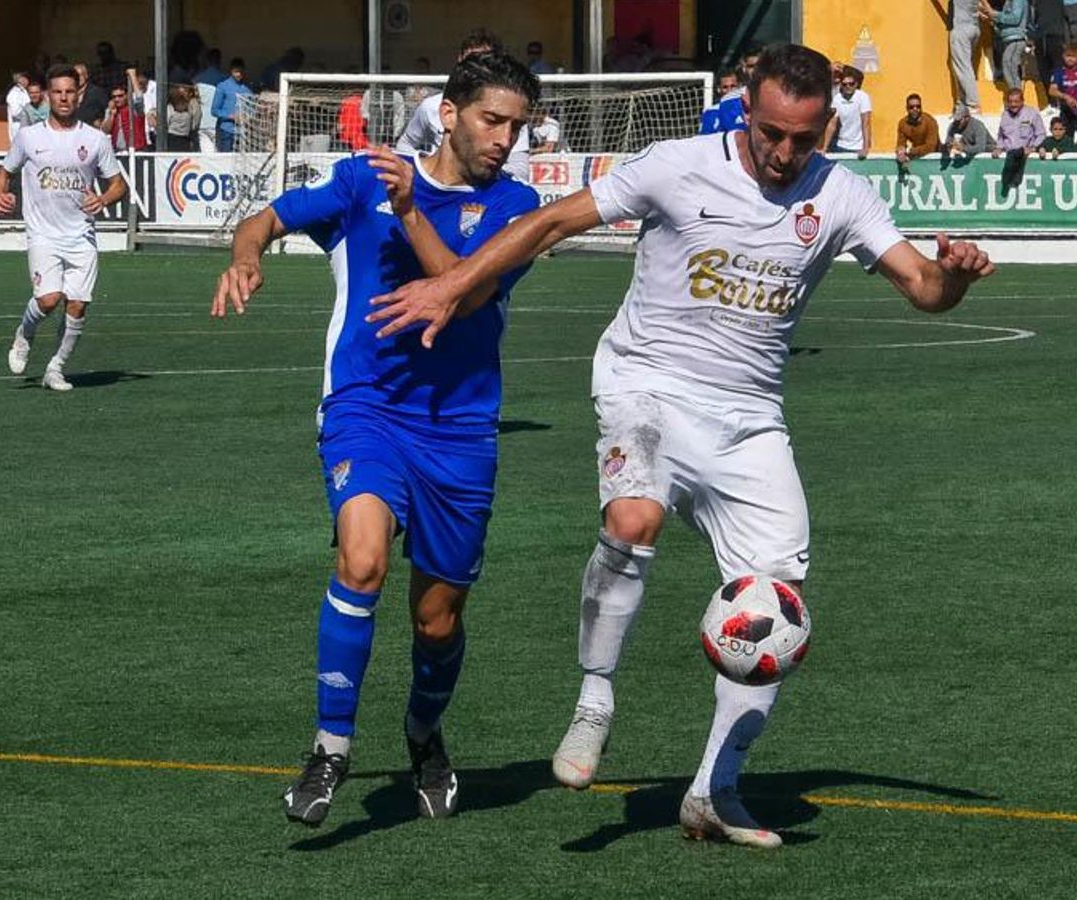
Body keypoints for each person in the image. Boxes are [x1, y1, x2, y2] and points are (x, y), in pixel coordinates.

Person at [364, 43, 995, 848]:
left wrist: (959, 276)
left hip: (750, 418)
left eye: (804, 139)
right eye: (771, 133)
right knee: (633, 521)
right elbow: (550, 220)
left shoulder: (841, 194)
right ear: (746, 113)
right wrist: (451, 286)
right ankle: (595, 697)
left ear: (826, 126)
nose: (785, 153)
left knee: (777, 607)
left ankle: (713, 792)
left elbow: (924, 288)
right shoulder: (676, 164)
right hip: (646, 384)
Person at [211, 50, 542, 826]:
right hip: (367, 406)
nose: (505, 138)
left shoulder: (518, 206)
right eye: (493, 120)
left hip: (460, 425)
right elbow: (267, 217)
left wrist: (412, 212)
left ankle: (424, 734)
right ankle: (330, 749)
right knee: (360, 559)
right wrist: (246, 257)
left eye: (517, 126)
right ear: (450, 113)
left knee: (438, 617)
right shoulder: (365, 178)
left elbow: (464, 291)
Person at [0, 64, 127, 392]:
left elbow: (118, 185)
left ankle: (55, 368)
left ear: (78, 94)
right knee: (49, 299)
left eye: (70, 91)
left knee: (78, 304)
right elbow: (4, 172)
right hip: (43, 233)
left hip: (81, 234)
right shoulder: (29, 137)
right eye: (58, 92)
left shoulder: (95, 140)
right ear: (49, 95)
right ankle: (24, 334)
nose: (64, 98)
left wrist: (103, 199)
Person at [400, 31, 533, 178]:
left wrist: (490, 190)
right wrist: (418, 176)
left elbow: (520, 168)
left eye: (486, 62)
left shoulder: (511, 113)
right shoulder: (430, 106)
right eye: (490, 120)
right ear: (448, 114)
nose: (504, 141)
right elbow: (406, 143)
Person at [993, 87, 1044, 188]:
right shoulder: (1005, 115)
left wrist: (1033, 147)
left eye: (1016, 101)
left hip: (1025, 156)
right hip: (1009, 155)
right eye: (1010, 102)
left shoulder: (1032, 114)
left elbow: (1041, 134)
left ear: (1022, 101)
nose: (1013, 105)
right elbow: (1001, 135)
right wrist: (999, 147)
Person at [824, 66, 873, 157]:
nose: (848, 87)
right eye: (844, 84)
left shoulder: (863, 97)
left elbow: (866, 123)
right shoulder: (837, 98)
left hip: (857, 147)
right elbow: (832, 124)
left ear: (856, 84)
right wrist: (824, 148)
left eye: (851, 84)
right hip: (839, 145)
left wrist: (865, 147)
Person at [982, 0, 1030, 92]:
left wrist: (994, 14)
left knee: (1010, 68)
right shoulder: (1009, 2)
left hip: (1016, 39)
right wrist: (992, 20)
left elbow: (1015, 19)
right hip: (1010, 39)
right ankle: (1015, 97)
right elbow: (1006, 23)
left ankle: (1016, 99)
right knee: (1009, 68)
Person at [211, 59, 253, 151]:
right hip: (226, 130)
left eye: (240, 72)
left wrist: (247, 117)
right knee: (225, 160)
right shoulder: (222, 86)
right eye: (236, 72)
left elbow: (252, 108)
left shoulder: (247, 89)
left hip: (242, 132)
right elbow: (214, 110)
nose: (238, 74)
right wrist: (231, 116)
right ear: (231, 71)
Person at [948, 0, 983, 112]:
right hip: (974, 28)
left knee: (963, 68)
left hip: (961, 29)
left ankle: (973, 103)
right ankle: (962, 103)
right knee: (965, 66)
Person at [895, 93, 941, 163]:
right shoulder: (903, 123)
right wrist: (900, 151)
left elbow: (931, 146)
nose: (915, 109)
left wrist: (911, 151)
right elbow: (901, 143)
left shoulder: (930, 121)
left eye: (918, 106)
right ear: (907, 108)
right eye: (911, 107)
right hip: (918, 157)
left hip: (935, 157)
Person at [103, 82, 149, 151]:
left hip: (137, 151)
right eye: (114, 97)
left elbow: (139, 98)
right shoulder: (110, 110)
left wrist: (133, 76)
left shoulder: (134, 108)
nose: (117, 99)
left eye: (120, 96)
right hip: (118, 151)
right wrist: (112, 115)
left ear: (127, 95)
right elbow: (105, 130)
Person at [700, 69, 747, 134]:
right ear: (719, 89)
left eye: (733, 86)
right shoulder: (711, 112)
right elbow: (704, 139)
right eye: (725, 87)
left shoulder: (747, 108)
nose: (730, 90)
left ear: (739, 87)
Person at [164, 84, 201, 149]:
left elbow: (166, 122)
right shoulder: (191, 106)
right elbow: (195, 124)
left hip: (170, 138)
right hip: (185, 138)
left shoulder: (170, 107)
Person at [73, 63, 109, 127]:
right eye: (75, 76)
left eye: (80, 75)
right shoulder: (70, 93)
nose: (77, 78)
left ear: (86, 76)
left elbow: (107, 110)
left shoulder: (97, 92)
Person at [6, 70, 32, 141]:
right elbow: (15, 112)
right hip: (18, 125)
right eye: (24, 78)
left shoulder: (24, 91)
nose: (27, 80)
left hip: (26, 125)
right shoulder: (14, 93)